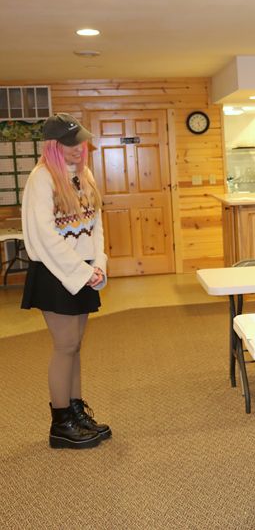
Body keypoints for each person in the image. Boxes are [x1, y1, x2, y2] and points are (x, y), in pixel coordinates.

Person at [21, 113, 111, 449]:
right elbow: (44, 237)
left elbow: (96, 223)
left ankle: (76, 412)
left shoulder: (83, 174)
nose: (77, 149)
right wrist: (83, 270)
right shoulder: (41, 178)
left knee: (75, 346)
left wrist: (98, 263)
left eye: (80, 142)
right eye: (69, 144)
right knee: (64, 346)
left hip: (83, 269)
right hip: (54, 272)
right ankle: (60, 423)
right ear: (53, 145)